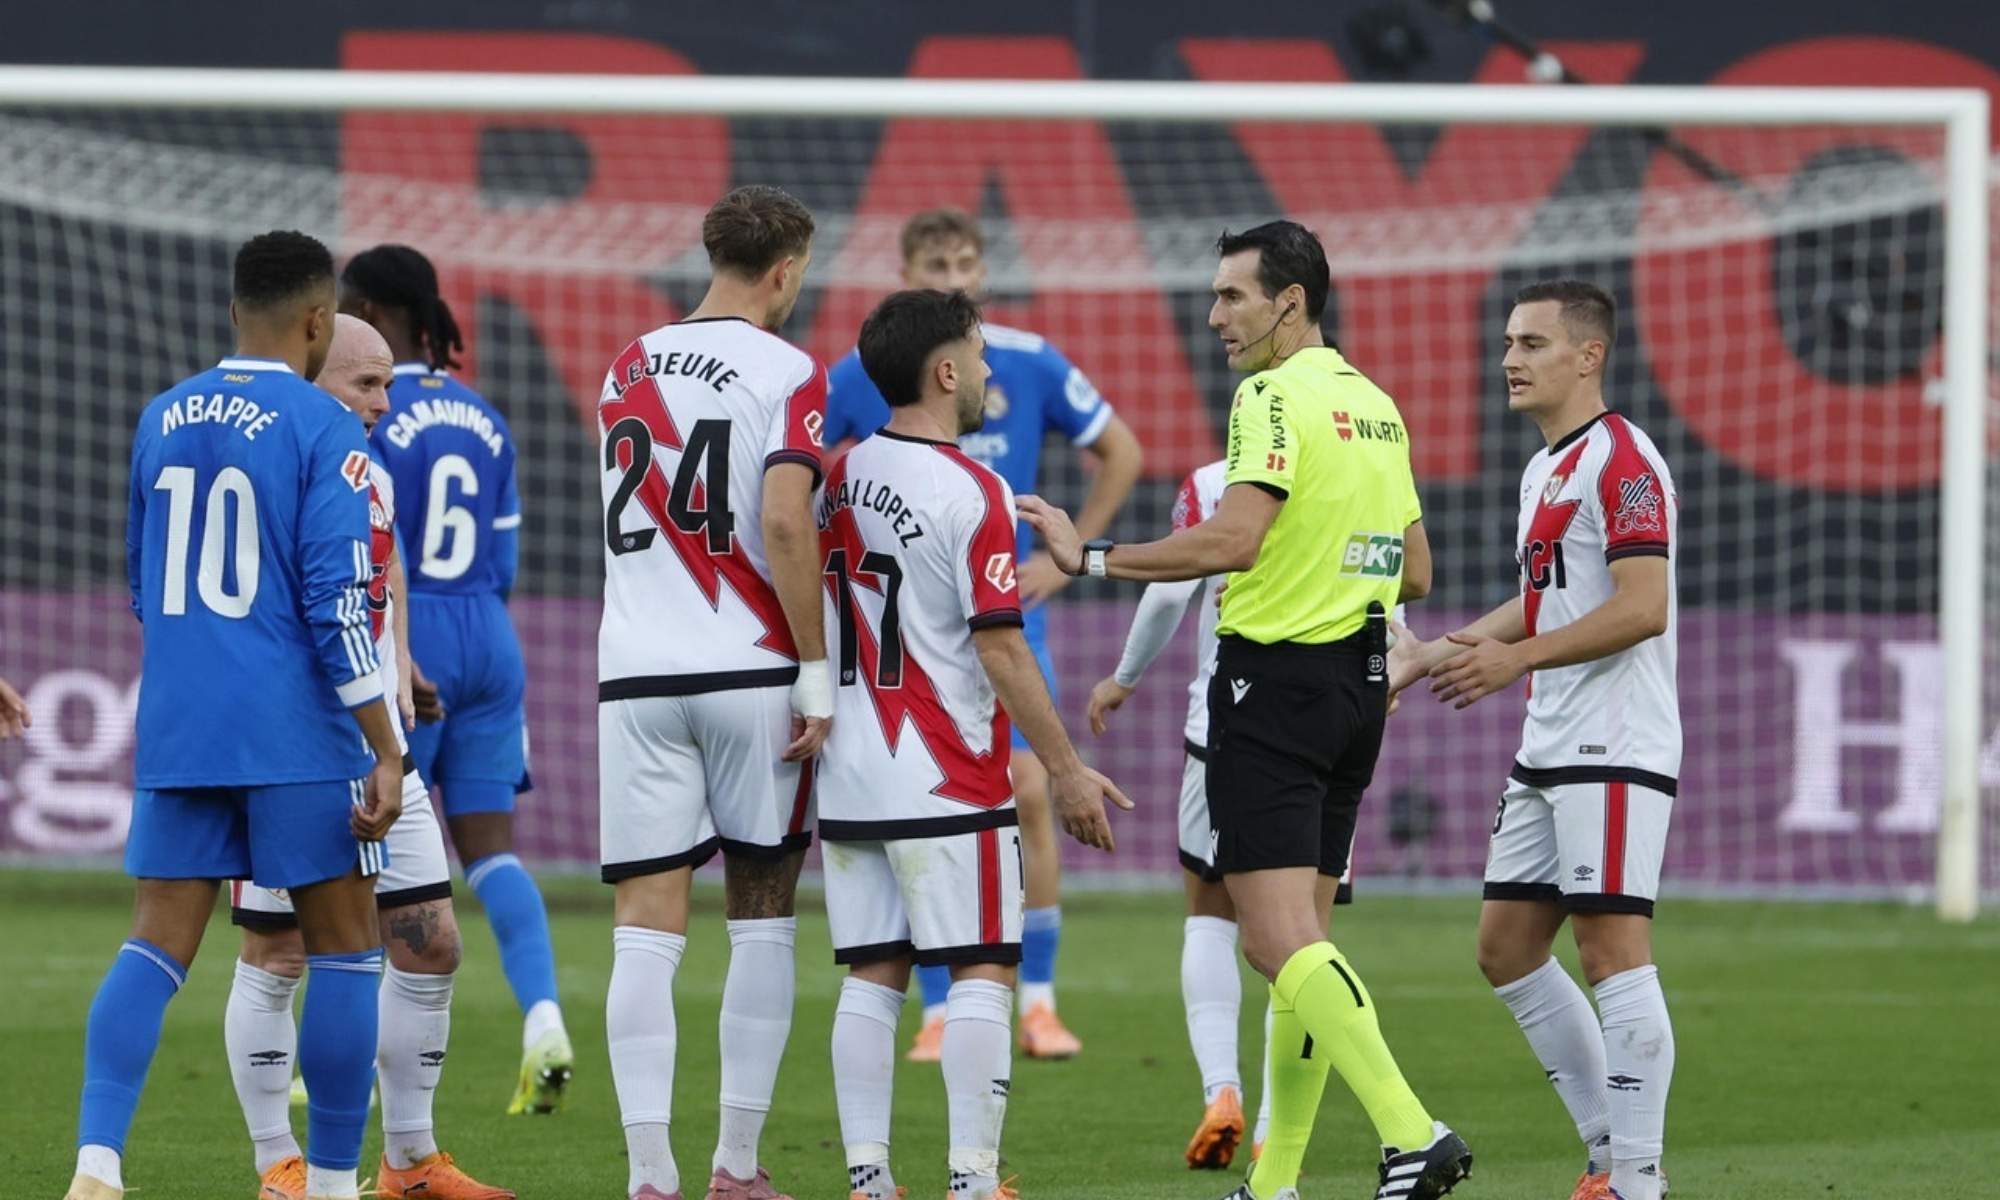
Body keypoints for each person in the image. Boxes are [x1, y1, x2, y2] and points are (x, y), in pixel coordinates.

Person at [1019, 220, 1471, 1200]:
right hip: (1355, 690)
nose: (1213, 315)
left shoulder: (1268, 395)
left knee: (1270, 940)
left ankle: (1409, 1130)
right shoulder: (1374, 407)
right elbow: (1418, 571)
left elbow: (1229, 541)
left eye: (1231, 296)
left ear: (1288, 303)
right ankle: (1273, 1187)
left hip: (1271, 687)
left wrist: (1085, 557)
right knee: (1297, 941)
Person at [67, 231, 403, 1200]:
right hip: (294, 730)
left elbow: (142, 583)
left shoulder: (160, 417)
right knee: (345, 952)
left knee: (153, 943)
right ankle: (334, 1184)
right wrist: (384, 746)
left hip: (180, 719)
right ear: (314, 323)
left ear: (231, 313)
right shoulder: (321, 426)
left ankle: (96, 1166)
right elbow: (336, 605)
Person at [820, 287, 1130, 1200]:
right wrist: (1067, 769)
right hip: (948, 772)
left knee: (873, 973)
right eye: (981, 354)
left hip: (852, 771)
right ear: (946, 371)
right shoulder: (975, 489)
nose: (991, 371)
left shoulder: (833, 475)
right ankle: (971, 1178)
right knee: (985, 963)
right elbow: (1000, 645)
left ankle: (869, 1179)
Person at [1391, 281, 1678, 1200]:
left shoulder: (1625, 462)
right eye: (1508, 341)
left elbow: (1644, 606)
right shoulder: (1544, 468)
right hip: (1550, 741)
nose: (1509, 358)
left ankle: (1637, 1179)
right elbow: (1549, 597)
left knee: (1611, 952)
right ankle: (1605, 1151)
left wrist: (1516, 665)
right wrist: (1444, 649)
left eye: (1533, 343)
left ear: (1588, 356)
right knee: (1507, 948)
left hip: (1616, 743)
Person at [222, 315, 513, 1200]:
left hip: (383, 744)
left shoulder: (371, 471)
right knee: (278, 957)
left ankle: (411, 1162)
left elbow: (383, 584)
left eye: (388, 384)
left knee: (430, 945)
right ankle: (279, 1159)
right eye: (366, 385)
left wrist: (406, 665)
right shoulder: (278, 468)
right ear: (315, 379)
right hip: (295, 753)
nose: (386, 403)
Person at [596, 184, 832, 1200]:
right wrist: (816, 672)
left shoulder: (627, 366)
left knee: (647, 923)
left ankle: (649, 1177)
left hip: (635, 673)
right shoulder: (788, 370)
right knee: (763, 913)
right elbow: (786, 522)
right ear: (784, 270)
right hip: (748, 669)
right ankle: (733, 1168)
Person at [341, 245, 574, 1116]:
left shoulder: (367, 410)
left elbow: (372, 545)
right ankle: (544, 1018)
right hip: (490, 633)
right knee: (492, 851)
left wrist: (400, 652)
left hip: (415, 633)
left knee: (372, 854)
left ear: (364, 305)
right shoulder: (484, 414)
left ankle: (353, 1066)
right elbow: (504, 558)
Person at [1086, 457, 1363, 1171]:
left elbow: (1167, 595)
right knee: (1306, 938)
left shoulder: (1215, 483)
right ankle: (1278, 1126)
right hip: (1330, 727)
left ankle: (1223, 1093)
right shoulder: (1358, 465)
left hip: (1229, 730)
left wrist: (1123, 679)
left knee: (1210, 915)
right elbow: (1394, 596)